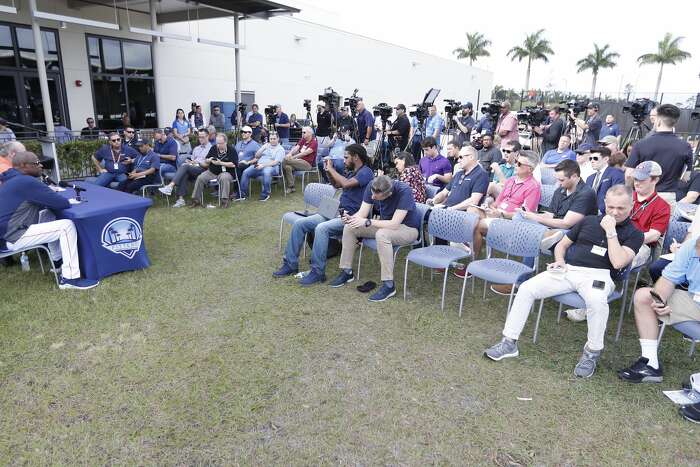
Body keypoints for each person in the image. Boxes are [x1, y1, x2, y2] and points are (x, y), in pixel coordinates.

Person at [484, 185, 644, 378]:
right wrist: (559, 261)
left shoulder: (635, 233)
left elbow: (618, 262)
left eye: (621, 209)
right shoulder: (588, 221)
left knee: (597, 302)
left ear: (632, 205)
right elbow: (563, 244)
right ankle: (509, 342)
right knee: (526, 288)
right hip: (568, 269)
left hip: (599, 276)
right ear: (605, 204)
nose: (614, 212)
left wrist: (611, 231)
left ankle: (591, 353)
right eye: (611, 207)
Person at [567, 161, 671, 322]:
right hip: (608, 234)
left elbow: (654, 235)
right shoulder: (625, 195)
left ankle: (592, 302)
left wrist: (625, 239)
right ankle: (584, 287)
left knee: (617, 260)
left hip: (640, 244)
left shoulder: (662, 205)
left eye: (642, 179)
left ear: (655, 180)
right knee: (588, 250)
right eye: (636, 179)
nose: (637, 182)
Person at [274, 143, 374, 286]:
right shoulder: (352, 171)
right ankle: (290, 264)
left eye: (346, 157)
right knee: (299, 223)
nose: (344, 160)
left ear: (356, 157)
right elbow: (337, 185)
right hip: (337, 212)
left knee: (322, 228)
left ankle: (317, 272)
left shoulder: (366, 172)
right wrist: (328, 171)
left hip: (352, 218)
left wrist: (332, 169)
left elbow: (345, 184)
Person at [0, 151, 99, 289]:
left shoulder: (10, 179)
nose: (41, 166)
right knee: (66, 226)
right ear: (24, 166)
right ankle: (70, 279)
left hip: (6, 233)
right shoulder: (26, 181)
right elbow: (61, 203)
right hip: (12, 237)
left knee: (47, 214)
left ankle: (57, 262)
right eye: (36, 163)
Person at [617, 236, 700, 383]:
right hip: (694, 298)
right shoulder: (692, 245)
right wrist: (659, 299)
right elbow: (669, 277)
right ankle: (650, 364)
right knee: (644, 297)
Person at [329, 175, 421, 302]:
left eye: (376, 197)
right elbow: (362, 214)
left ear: (389, 194)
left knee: (382, 234)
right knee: (350, 228)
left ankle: (389, 285)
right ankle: (346, 271)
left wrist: (367, 222)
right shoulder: (373, 185)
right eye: (372, 194)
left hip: (408, 229)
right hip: (384, 225)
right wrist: (351, 219)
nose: (372, 198)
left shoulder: (404, 191)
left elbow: (394, 224)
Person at [472, 150, 541, 257]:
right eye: (516, 161)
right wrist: (488, 206)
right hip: (497, 215)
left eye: (519, 164)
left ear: (530, 169)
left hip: (511, 223)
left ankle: (474, 258)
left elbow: (525, 215)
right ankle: (470, 246)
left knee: (478, 225)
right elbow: (498, 201)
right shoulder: (511, 180)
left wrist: (501, 214)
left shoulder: (533, 186)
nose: (515, 165)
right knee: (472, 211)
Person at [624, 104, 693, 206]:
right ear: (675, 122)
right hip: (667, 199)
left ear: (659, 120)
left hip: (642, 196)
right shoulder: (686, 147)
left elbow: (629, 175)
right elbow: (685, 177)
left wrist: (629, 193)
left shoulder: (641, 144)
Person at [159, 129, 211, 207]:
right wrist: (190, 162)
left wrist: (196, 163)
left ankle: (170, 186)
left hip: (203, 169)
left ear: (208, 136)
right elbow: (193, 159)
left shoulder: (211, 148)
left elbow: (208, 164)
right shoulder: (196, 148)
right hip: (193, 168)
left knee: (185, 166)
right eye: (199, 137)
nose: (201, 139)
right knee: (184, 172)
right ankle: (181, 199)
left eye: (203, 137)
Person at [428, 145, 488, 212]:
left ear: (471, 157)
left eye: (461, 157)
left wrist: (450, 209)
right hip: (446, 209)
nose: (458, 160)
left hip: (460, 215)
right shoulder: (458, 174)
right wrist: (433, 201)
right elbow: (444, 193)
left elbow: (474, 201)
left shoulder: (481, 175)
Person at [190, 133, 238, 208]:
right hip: (212, 172)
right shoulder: (213, 148)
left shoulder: (231, 150)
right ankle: (196, 200)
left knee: (224, 178)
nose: (218, 145)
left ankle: (224, 201)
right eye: (217, 143)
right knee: (200, 178)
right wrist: (208, 160)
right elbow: (206, 159)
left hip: (226, 172)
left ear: (225, 142)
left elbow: (234, 164)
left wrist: (220, 163)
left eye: (220, 143)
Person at [240, 132, 285, 201]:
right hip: (259, 165)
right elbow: (256, 156)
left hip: (272, 167)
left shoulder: (280, 149)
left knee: (266, 172)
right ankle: (243, 194)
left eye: (274, 139)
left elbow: (275, 162)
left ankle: (265, 194)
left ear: (278, 139)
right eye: (271, 139)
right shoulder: (266, 146)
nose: (272, 140)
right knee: (246, 172)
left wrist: (263, 165)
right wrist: (263, 148)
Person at [585, 146, 625, 214]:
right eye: (590, 158)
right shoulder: (589, 178)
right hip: (588, 215)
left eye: (595, 158)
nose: (592, 161)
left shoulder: (616, 173)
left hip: (606, 215)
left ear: (606, 159)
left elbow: (618, 195)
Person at [281, 126, 317, 194]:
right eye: (302, 132)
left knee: (285, 161)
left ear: (310, 133)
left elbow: (305, 153)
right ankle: (291, 187)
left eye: (304, 132)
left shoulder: (314, 142)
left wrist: (293, 157)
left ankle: (277, 178)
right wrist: (290, 154)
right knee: (287, 167)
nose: (302, 134)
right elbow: (296, 147)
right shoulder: (303, 139)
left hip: (307, 164)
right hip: (298, 162)